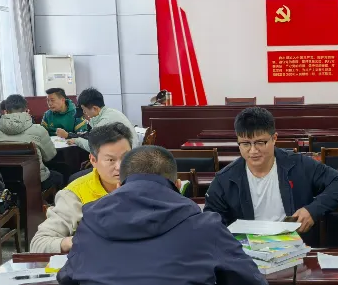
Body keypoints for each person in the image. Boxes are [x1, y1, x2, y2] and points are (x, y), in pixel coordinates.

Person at [57, 146, 266, 285]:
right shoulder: (205, 226)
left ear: (119, 186)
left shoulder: (90, 223)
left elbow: (66, 277)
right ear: (178, 186)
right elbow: (250, 279)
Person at [204, 107, 338, 246]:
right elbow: (212, 225)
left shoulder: (298, 164)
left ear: (274, 138)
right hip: (247, 254)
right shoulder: (224, 180)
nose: (253, 150)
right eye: (245, 144)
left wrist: (313, 210)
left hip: (295, 248)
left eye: (260, 142)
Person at [30, 123, 133, 253]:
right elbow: (39, 244)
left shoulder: (148, 183)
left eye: (126, 157)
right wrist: (79, 240)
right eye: (110, 160)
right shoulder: (75, 194)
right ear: (93, 160)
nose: (119, 167)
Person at [0, 94, 62, 191]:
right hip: (34, 182)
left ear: (5, 112)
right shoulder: (39, 130)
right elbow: (49, 156)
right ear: (27, 111)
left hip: (2, 184)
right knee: (59, 176)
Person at [70, 87, 138, 151]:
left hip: (126, 156)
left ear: (95, 108)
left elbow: (94, 147)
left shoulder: (105, 122)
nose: (85, 113)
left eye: (85, 110)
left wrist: (76, 140)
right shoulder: (111, 112)